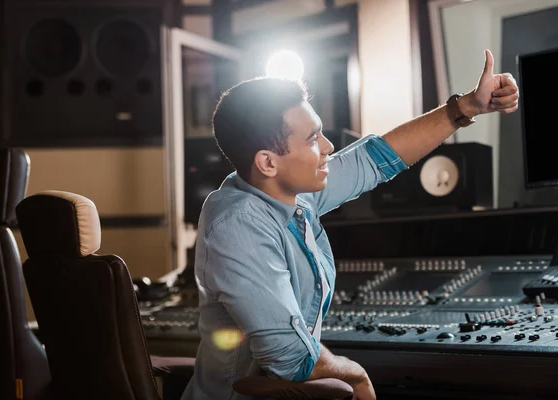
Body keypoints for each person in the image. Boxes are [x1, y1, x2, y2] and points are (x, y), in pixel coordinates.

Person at [181, 49, 518, 400]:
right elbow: (290, 358)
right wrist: (356, 374)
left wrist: (466, 108)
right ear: (268, 162)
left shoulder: (289, 192)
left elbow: (375, 159)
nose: (328, 147)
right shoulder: (238, 224)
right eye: (312, 139)